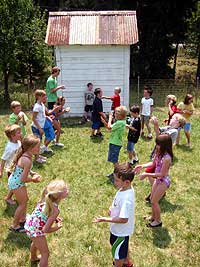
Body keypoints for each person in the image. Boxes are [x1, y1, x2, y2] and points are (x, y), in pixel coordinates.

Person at [93, 163, 135, 267]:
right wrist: (112, 208)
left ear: (126, 182)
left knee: (117, 255)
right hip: (118, 231)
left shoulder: (126, 199)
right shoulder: (126, 189)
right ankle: (126, 263)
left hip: (120, 233)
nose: (114, 182)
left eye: (116, 180)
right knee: (120, 249)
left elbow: (124, 219)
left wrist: (105, 219)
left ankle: (120, 264)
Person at [25, 179, 69, 267]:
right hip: (37, 231)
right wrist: (57, 227)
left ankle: (33, 257)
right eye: (66, 189)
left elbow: (45, 214)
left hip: (29, 226)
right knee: (45, 254)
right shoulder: (55, 210)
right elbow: (46, 229)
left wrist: (54, 218)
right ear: (59, 196)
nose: (68, 190)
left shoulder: (46, 199)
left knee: (36, 243)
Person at [134, 134, 173, 228]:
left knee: (154, 202)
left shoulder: (167, 158)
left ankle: (158, 221)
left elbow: (162, 174)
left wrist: (146, 174)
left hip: (163, 181)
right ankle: (153, 217)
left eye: (158, 144)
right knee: (152, 199)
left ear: (165, 145)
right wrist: (142, 166)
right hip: (158, 180)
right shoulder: (158, 152)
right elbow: (153, 163)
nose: (156, 146)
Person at [8, 135, 41, 232]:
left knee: (25, 200)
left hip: (15, 181)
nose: (39, 148)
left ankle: (23, 219)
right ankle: (15, 225)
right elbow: (23, 179)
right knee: (22, 204)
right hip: (17, 183)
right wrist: (33, 179)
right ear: (30, 148)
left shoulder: (26, 155)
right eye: (37, 146)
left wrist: (31, 173)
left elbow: (23, 169)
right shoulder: (27, 160)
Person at [101, 106, 127, 178]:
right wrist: (105, 122)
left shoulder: (119, 123)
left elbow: (109, 127)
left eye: (115, 113)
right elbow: (110, 128)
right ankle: (115, 173)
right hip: (114, 142)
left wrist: (110, 118)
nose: (114, 115)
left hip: (115, 143)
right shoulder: (121, 122)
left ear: (120, 115)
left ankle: (119, 175)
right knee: (113, 160)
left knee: (114, 161)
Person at [0, 125, 22, 205]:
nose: (21, 134)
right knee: (14, 184)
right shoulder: (9, 147)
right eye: (19, 133)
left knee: (17, 183)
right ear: (12, 136)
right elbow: (3, 160)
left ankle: (15, 194)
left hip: (18, 167)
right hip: (11, 169)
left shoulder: (18, 142)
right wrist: (1, 171)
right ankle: (8, 198)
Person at [32, 90, 55, 154]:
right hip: (36, 127)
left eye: (45, 95)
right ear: (38, 97)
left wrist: (48, 117)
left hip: (42, 124)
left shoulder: (42, 104)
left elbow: (42, 115)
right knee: (37, 142)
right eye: (43, 96)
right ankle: (37, 156)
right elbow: (33, 119)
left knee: (50, 135)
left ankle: (44, 148)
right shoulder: (36, 107)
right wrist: (39, 128)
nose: (45, 97)